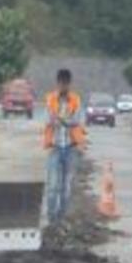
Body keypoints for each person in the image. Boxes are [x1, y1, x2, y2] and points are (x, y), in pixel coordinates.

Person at [43, 69, 87, 224]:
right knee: (53, 187)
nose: (63, 86)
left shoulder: (75, 100)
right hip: (55, 147)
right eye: (61, 83)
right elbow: (49, 120)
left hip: (71, 148)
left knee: (66, 189)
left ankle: (61, 219)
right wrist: (64, 119)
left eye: (66, 83)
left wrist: (61, 119)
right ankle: (52, 220)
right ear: (58, 83)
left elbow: (76, 120)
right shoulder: (50, 99)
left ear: (69, 83)